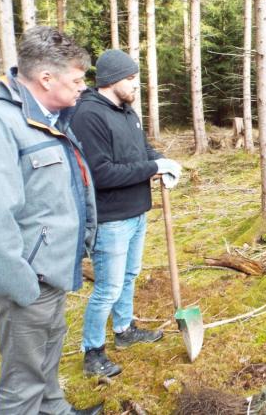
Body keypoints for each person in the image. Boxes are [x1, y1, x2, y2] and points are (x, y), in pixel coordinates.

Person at [0, 26, 102, 415]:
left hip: (50, 272)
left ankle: (55, 409)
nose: (82, 88)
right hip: (26, 278)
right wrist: (20, 285)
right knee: (22, 379)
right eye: (76, 80)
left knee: (48, 351)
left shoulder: (45, 116)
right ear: (46, 78)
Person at [70, 49, 182, 377]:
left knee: (129, 276)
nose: (136, 83)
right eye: (131, 78)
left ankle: (124, 330)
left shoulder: (127, 111)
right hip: (111, 217)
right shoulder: (88, 115)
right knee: (108, 286)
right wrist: (152, 166)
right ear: (113, 79)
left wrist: (164, 163)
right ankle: (92, 352)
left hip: (137, 211)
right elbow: (100, 173)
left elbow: (142, 150)